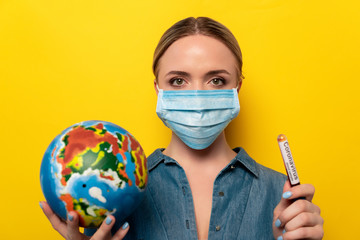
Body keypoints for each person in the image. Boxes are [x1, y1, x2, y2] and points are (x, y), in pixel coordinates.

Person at [40, 17, 324, 240]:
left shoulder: (282, 197)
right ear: (158, 89)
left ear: (237, 87)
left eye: (216, 80)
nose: (198, 96)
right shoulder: (110, 190)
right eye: (178, 81)